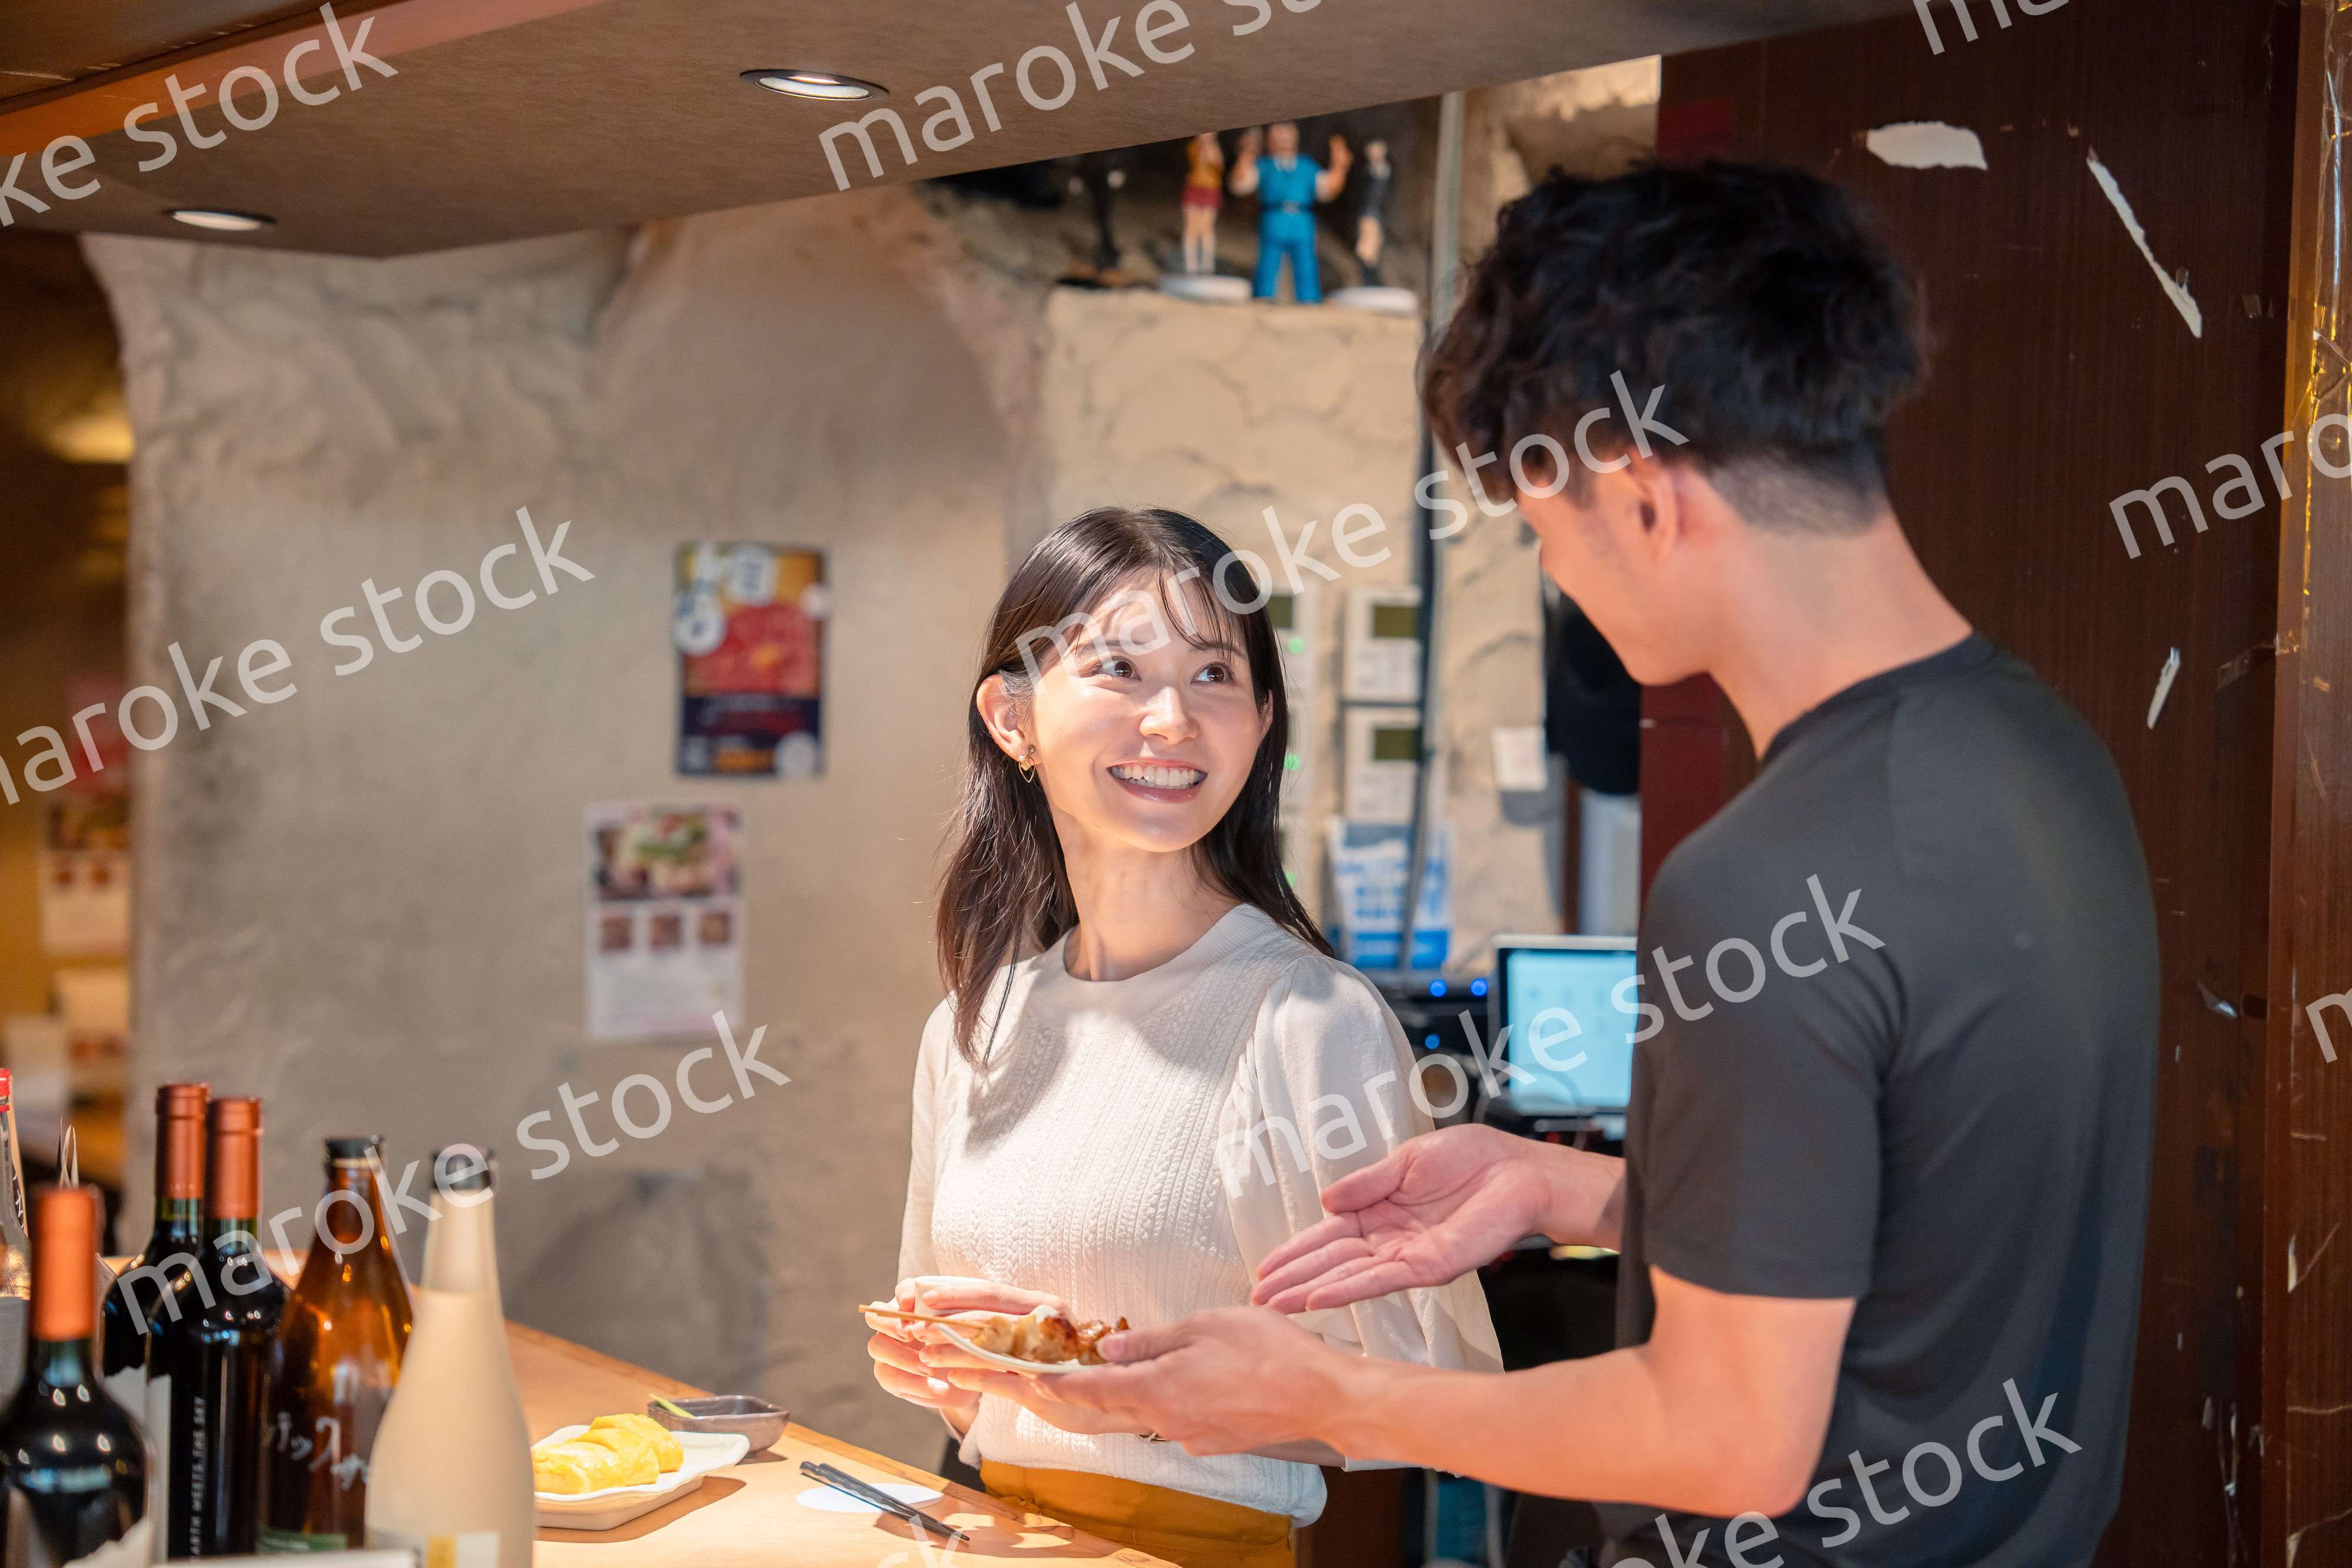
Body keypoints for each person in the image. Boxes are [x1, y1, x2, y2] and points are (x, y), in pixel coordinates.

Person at [1035, 164, 2161, 1568]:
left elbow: (1728, 1440)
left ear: (1639, 493)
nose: (1558, 574)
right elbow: (1932, 1230)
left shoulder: (1760, 878)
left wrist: (1331, 1392)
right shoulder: (2049, 756)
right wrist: (1572, 1191)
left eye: (1541, 521)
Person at [867, 506, 1499, 1568]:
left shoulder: (1307, 1019)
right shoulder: (973, 1023)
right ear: (1012, 718)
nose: (1173, 719)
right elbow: (956, 1375)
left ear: (1261, 726)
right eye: (1120, 668)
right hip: (989, 1536)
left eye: (1215, 676)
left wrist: (1131, 1403)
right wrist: (940, 1367)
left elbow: (1433, 1397)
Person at [1229, 123, 1350, 303]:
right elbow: (1240, 186)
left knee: (1306, 260)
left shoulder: (1307, 166)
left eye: (1288, 130)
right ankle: (1264, 295)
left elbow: (1327, 190)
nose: (1283, 135)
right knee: (1269, 259)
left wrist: (1340, 166)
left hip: (1302, 218)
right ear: (1269, 136)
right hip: (1274, 216)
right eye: (1278, 130)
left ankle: (1309, 298)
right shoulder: (1264, 166)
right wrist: (1246, 154)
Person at [1181, 132, 1225, 276]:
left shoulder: (1216, 148)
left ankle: (1207, 266)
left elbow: (1218, 165)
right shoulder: (1193, 146)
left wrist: (1211, 149)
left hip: (1211, 188)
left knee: (1206, 227)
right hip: (1194, 187)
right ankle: (1191, 266)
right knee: (1191, 226)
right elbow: (1195, 162)